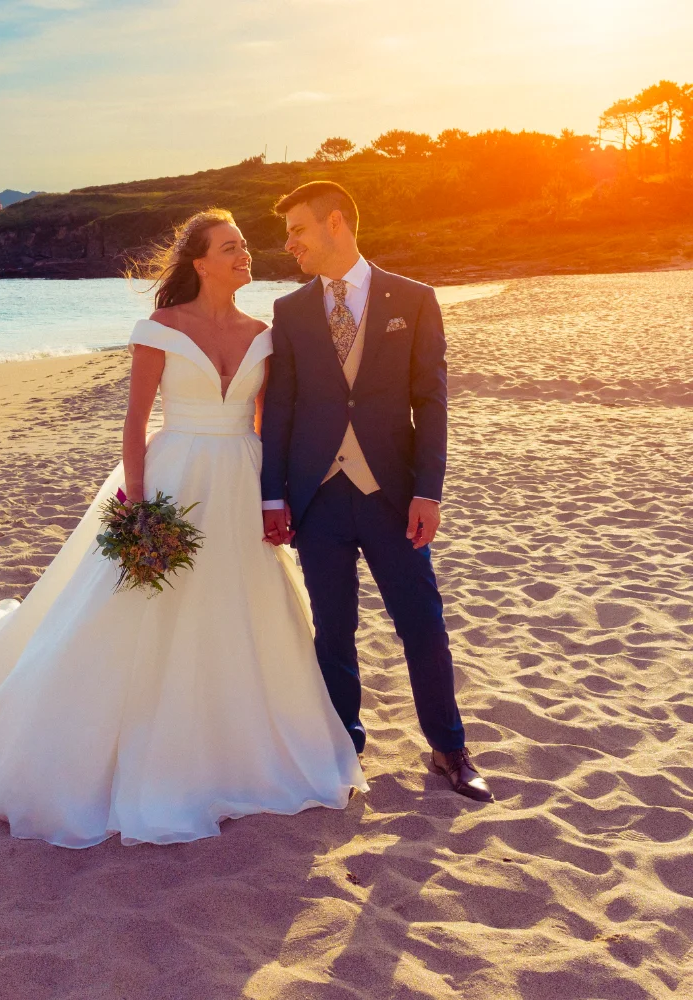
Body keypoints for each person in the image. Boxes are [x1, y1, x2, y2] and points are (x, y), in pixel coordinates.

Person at [0, 208, 366, 849]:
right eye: (230, 248)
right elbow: (135, 422)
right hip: (174, 478)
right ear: (199, 262)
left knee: (241, 605)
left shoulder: (265, 334)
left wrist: (274, 496)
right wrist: (139, 501)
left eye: (244, 247)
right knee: (141, 602)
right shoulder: (159, 329)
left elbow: (266, 425)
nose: (244, 256)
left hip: (241, 479)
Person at [261, 181, 493, 803]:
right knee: (332, 632)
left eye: (298, 231)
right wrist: (273, 496)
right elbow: (280, 409)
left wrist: (429, 491)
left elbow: (431, 401)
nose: (290, 245)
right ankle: (345, 750)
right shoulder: (289, 312)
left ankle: (450, 749)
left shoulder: (414, 300)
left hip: (392, 495)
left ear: (336, 223)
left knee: (422, 624)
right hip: (319, 498)